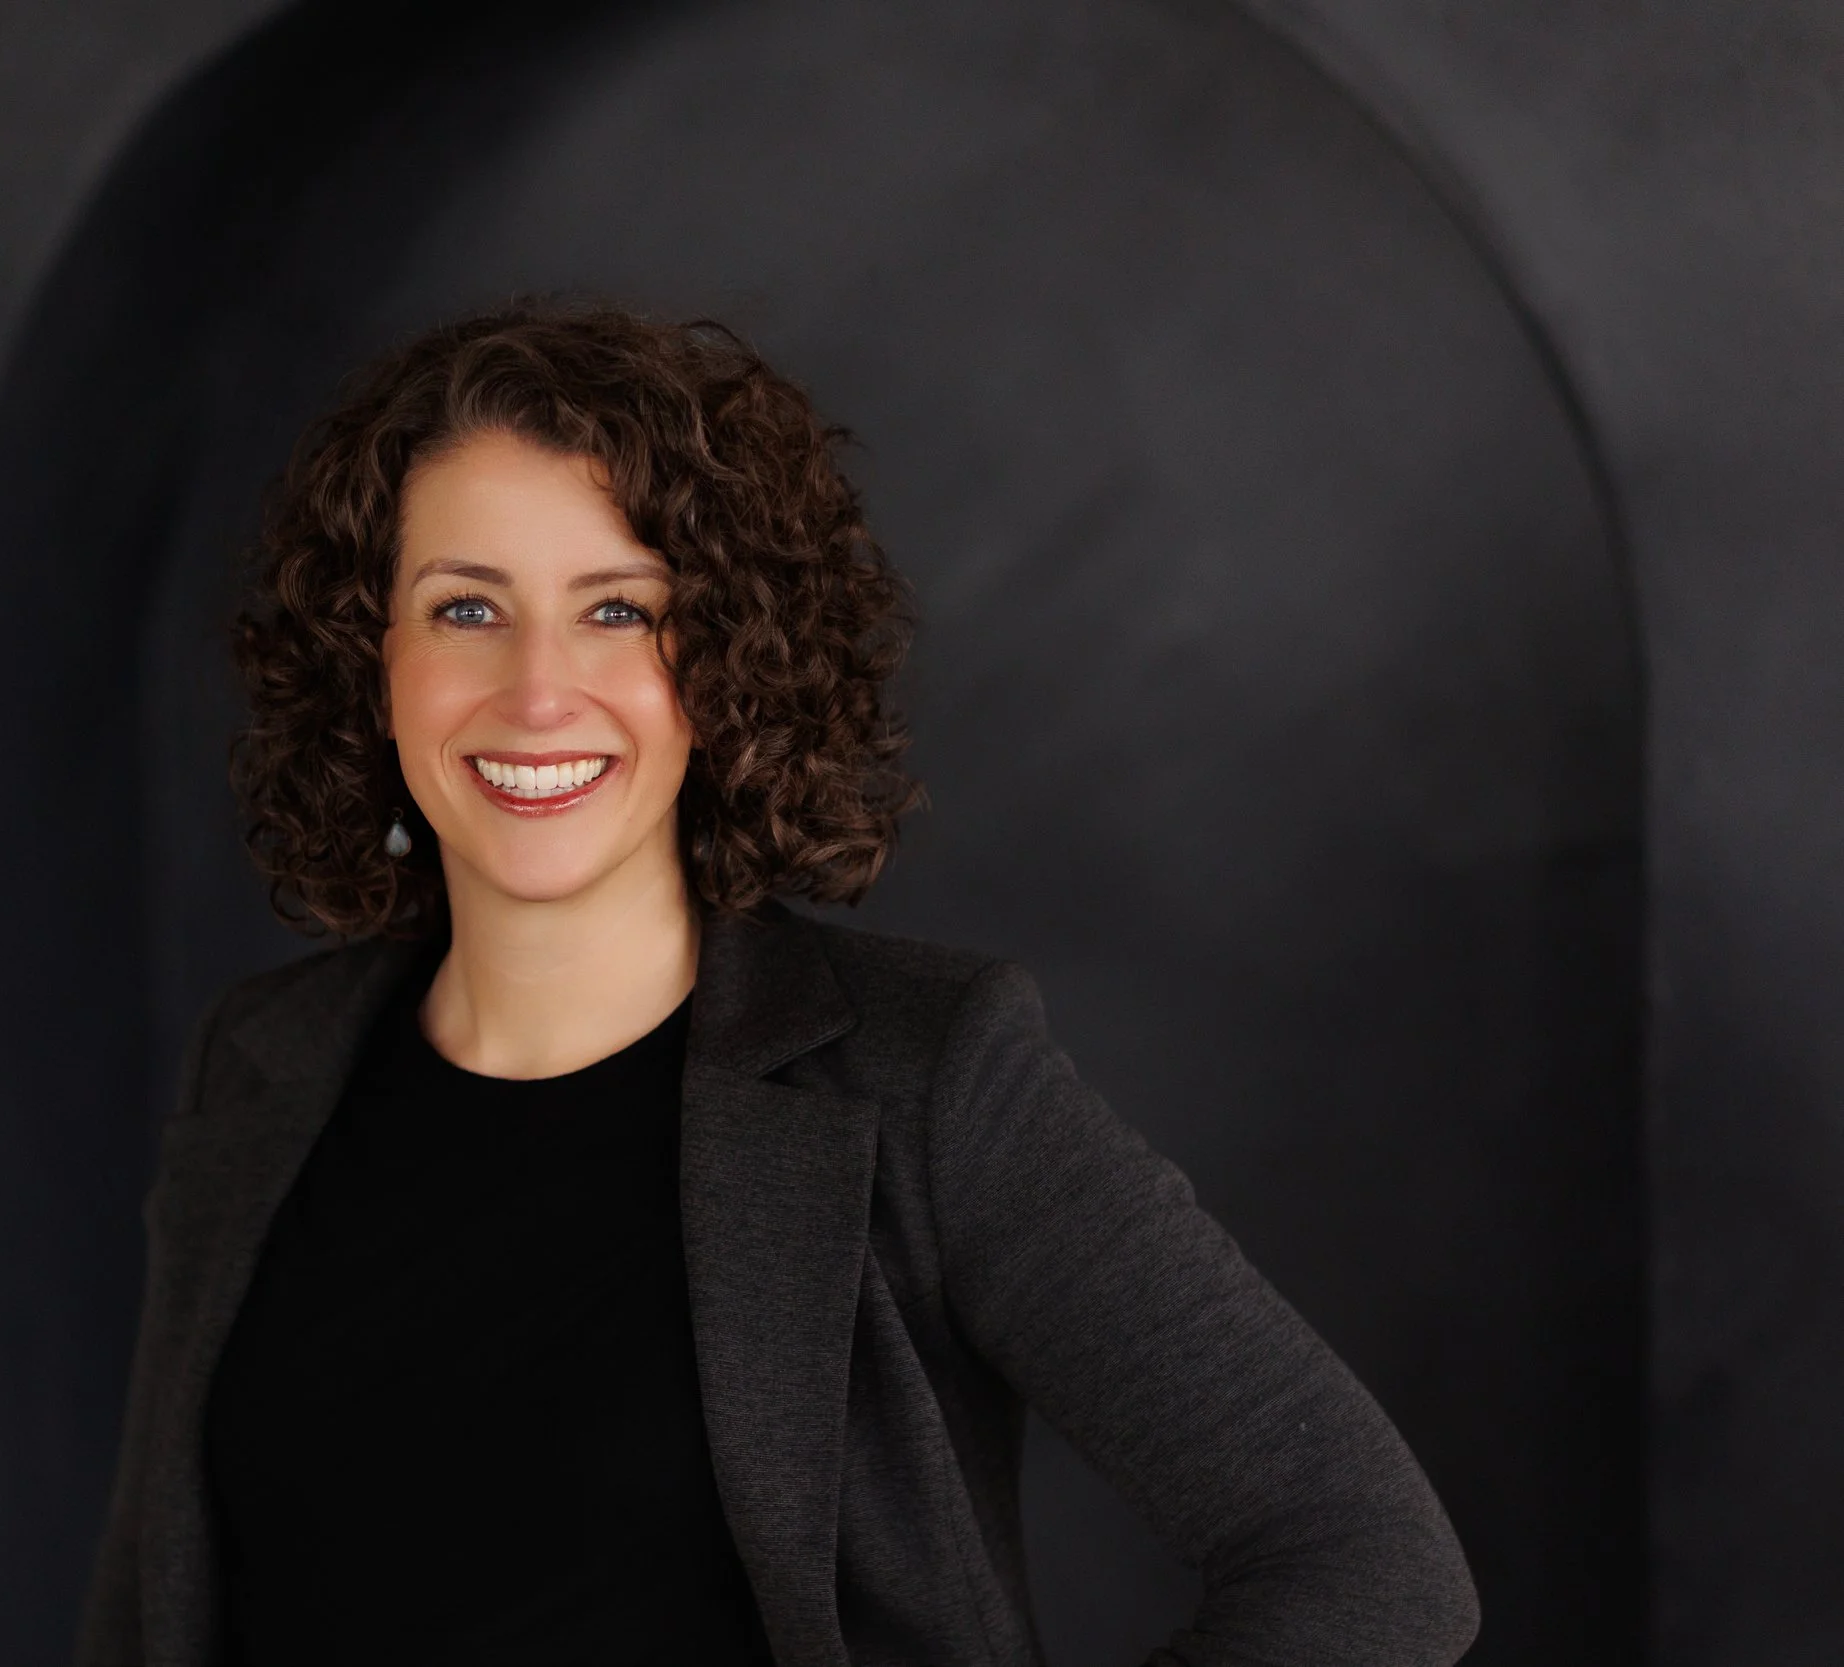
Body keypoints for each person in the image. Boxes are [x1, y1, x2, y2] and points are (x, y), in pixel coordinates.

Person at [76, 303, 1479, 1667]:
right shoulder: (262, 1064)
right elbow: (152, 1614)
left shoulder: (924, 1077)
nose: (540, 688)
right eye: (466, 609)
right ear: (370, 662)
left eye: (619, 608)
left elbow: (1363, 1555)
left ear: (728, 667)